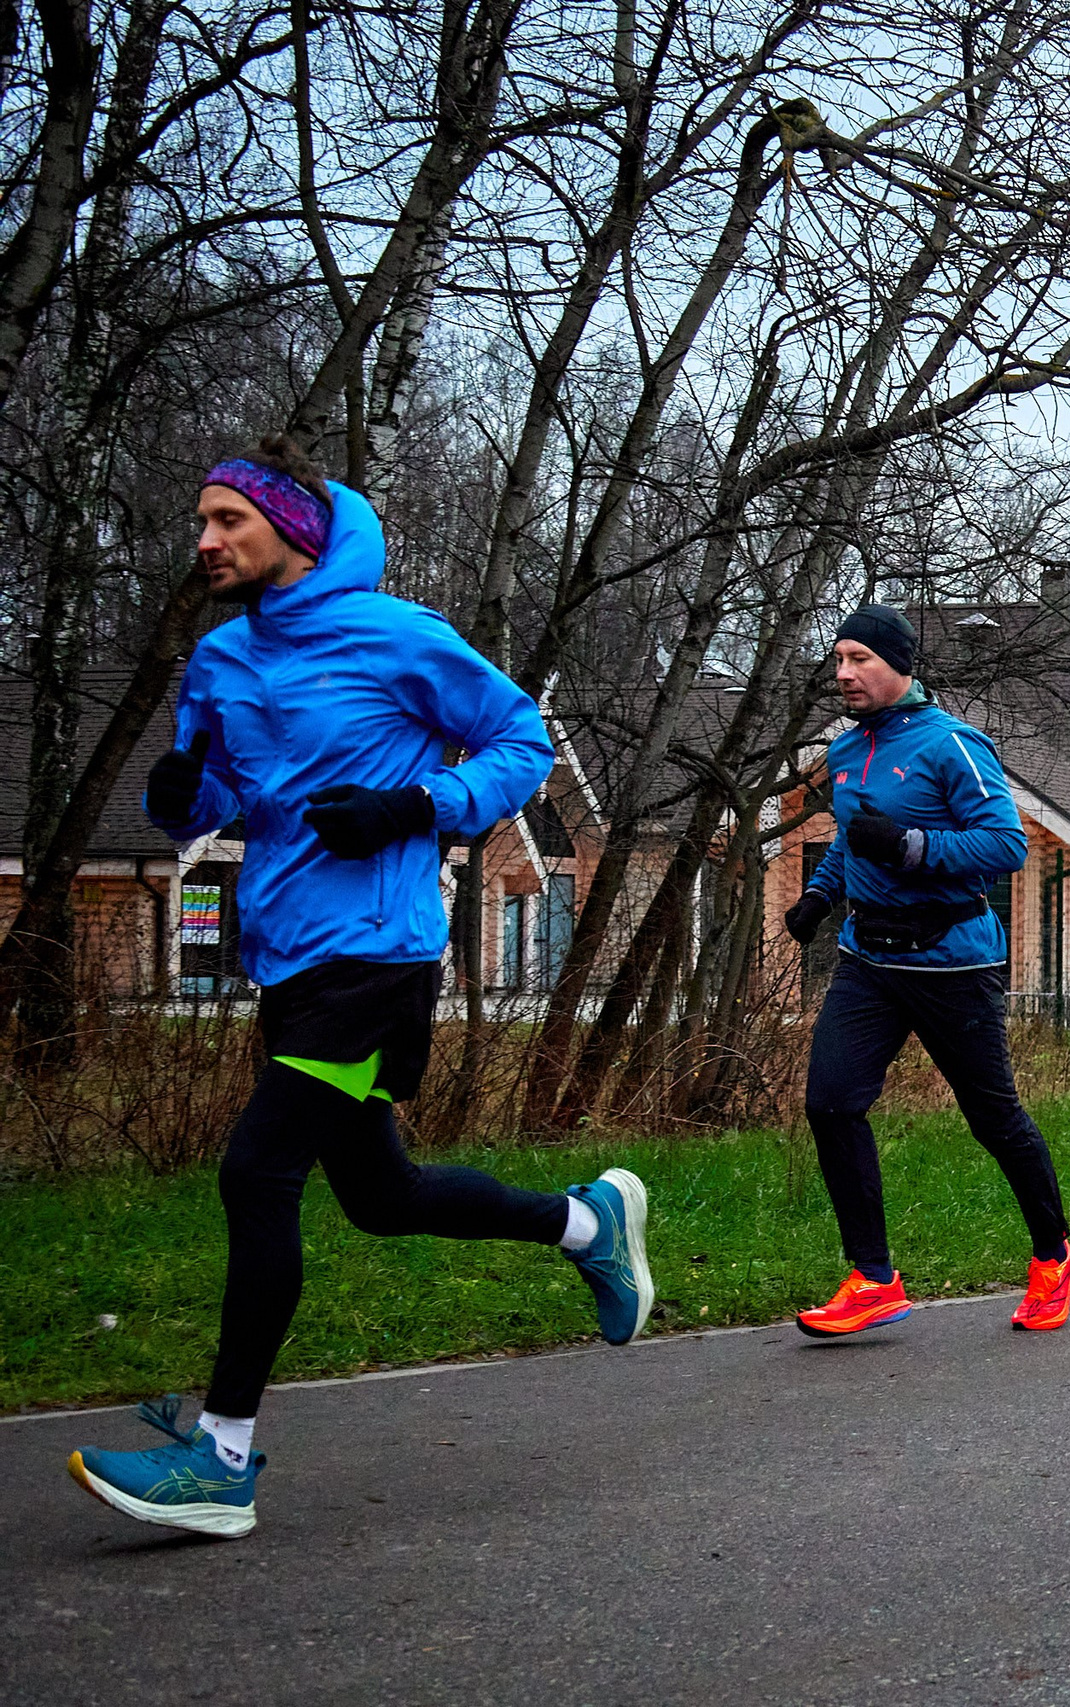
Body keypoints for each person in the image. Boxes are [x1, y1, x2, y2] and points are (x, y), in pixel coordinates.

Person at [68, 442, 647, 1540]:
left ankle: (220, 1459)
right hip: (286, 956)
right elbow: (214, 802)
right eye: (201, 520)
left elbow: (520, 743)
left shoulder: (396, 637)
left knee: (258, 1172)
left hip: (376, 959)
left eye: (229, 519)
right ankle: (588, 1223)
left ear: (291, 530)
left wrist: (414, 806)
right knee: (382, 1197)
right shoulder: (221, 660)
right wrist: (183, 794)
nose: (206, 541)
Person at [784, 604, 1070, 1338]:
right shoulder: (846, 750)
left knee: (994, 1119)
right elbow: (854, 839)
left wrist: (911, 846)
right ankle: (873, 1278)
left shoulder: (953, 744)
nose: (843, 673)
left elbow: (1005, 845)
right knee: (830, 1103)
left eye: (859, 658)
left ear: (898, 665)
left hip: (952, 961)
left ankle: (1054, 1258)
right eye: (838, 659)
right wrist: (819, 895)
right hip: (867, 960)